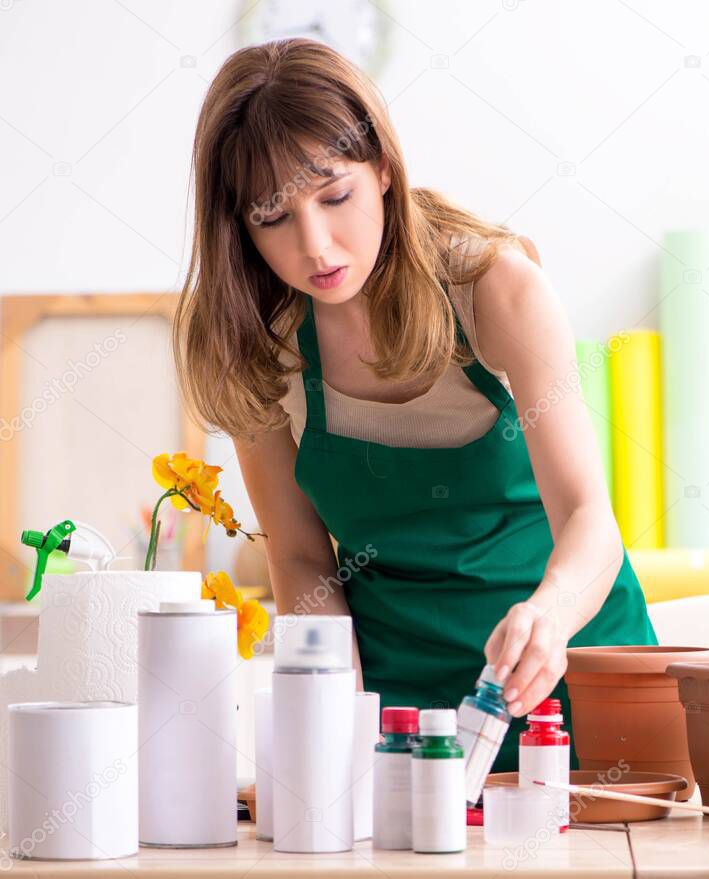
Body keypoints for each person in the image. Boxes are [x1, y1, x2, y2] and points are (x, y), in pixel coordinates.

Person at [174, 38, 657, 771]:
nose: (316, 245)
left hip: (575, 676)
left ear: (384, 171)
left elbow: (590, 518)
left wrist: (548, 616)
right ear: (238, 225)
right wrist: (330, 708)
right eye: (273, 217)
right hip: (399, 712)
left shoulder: (495, 288)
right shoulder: (258, 344)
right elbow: (302, 558)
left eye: (336, 196)